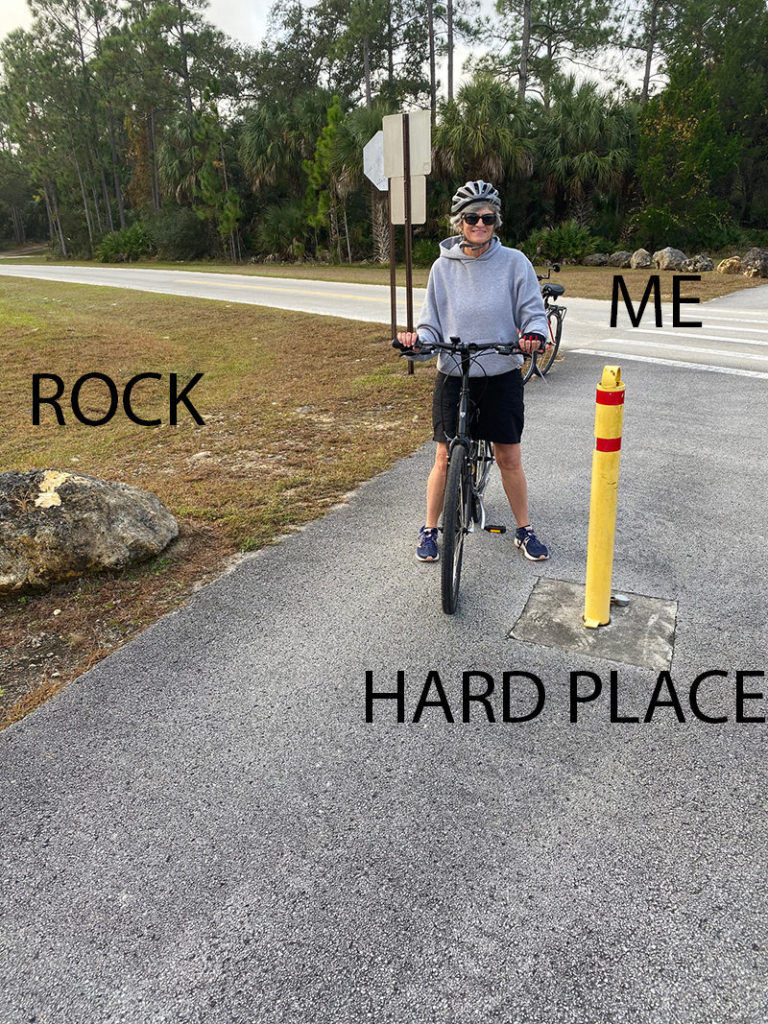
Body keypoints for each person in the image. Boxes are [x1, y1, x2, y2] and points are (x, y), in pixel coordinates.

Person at [397, 179, 550, 564]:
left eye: (488, 217)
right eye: (472, 217)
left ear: (496, 221)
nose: (480, 224)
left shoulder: (515, 262)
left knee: (508, 456)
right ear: (458, 223)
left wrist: (533, 334)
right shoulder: (441, 268)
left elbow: (532, 311)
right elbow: (431, 324)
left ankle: (524, 528)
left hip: (500, 372)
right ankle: (430, 528)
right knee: (444, 456)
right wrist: (419, 342)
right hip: (453, 371)